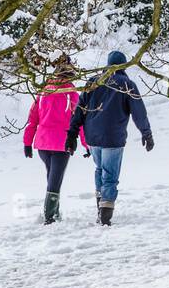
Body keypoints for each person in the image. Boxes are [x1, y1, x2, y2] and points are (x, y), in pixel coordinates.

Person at [66, 50, 153, 226]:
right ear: (124, 64)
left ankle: (101, 209)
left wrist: (72, 134)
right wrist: (146, 132)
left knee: (100, 169)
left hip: (93, 137)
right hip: (113, 137)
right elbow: (138, 111)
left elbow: (79, 109)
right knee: (110, 176)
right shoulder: (127, 84)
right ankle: (105, 216)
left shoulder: (93, 82)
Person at [22, 54, 85, 225]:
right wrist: (87, 144)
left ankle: (54, 213)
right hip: (61, 143)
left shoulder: (43, 91)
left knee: (52, 177)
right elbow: (78, 121)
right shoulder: (71, 94)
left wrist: (27, 143)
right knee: (54, 181)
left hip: (42, 143)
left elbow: (32, 119)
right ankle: (49, 217)